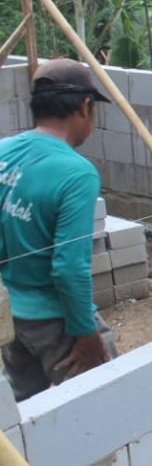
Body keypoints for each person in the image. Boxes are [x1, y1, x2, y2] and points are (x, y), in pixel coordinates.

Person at [0, 58, 116, 401]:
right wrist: (85, 334)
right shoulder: (76, 173)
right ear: (85, 106)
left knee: (24, 415)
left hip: (11, 314)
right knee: (107, 404)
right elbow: (68, 267)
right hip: (53, 320)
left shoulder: (4, 152)